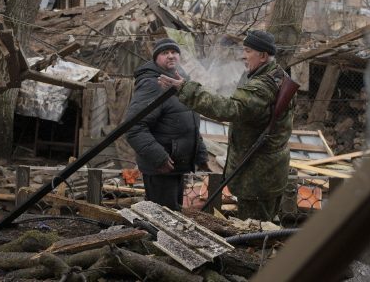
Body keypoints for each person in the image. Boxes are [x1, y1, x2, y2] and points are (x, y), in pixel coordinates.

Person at [158, 30, 294, 221]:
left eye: (248, 51)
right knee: (262, 227)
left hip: (257, 176)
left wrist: (185, 89)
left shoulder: (262, 87)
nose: (243, 55)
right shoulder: (274, 75)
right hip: (265, 171)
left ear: (263, 56)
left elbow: (229, 108)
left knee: (254, 231)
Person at [125, 38, 209, 211]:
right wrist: (159, 158)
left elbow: (189, 121)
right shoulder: (152, 84)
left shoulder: (180, 82)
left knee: (173, 216)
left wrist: (200, 154)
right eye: (165, 53)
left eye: (174, 52)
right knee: (163, 220)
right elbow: (134, 127)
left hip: (177, 166)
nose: (171, 56)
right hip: (161, 168)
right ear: (156, 58)